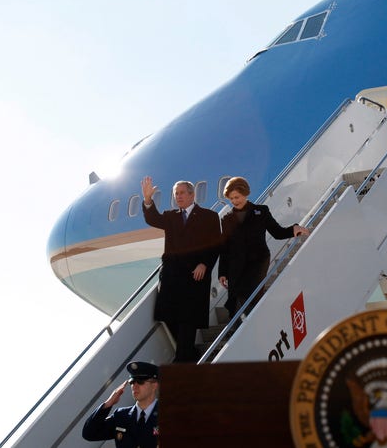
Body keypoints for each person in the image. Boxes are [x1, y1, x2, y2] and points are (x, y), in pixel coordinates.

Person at [141, 176, 221, 363]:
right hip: (171, 277)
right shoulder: (170, 216)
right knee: (167, 316)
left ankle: (182, 359)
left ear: (192, 194)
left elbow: (216, 245)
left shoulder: (209, 216)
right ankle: (189, 352)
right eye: (176, 193)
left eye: (182, 193)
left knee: (188, 319)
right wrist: (147, 200)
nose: (178, 196)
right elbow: (153, 218)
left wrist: (205, 264)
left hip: (194, 276)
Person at [218, 176, 309, 318]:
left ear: (245, 193)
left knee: (252, 296)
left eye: (237, 197)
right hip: (236, 265)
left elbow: (277, 232)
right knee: (237, 300)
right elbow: (225, 247)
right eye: (231, 199)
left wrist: (293, 229)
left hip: (258, 261)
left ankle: (256, 326)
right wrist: (222, 272)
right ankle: (241, 330)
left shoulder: (261, 211)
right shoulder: (226, 218)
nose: (234, 201)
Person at [82, 362, 160, 448]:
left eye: (140, 381)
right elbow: (89, 433)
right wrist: (108, 403)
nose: (134, 386)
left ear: (154, 385)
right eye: (132, 382)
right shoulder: (121, 416)